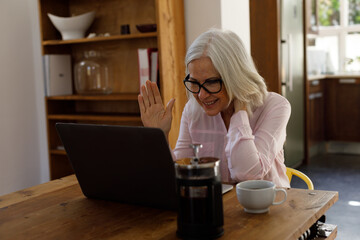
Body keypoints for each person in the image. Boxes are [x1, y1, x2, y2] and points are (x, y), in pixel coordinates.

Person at [138, 28, 290, 187]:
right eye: (194, 83)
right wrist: (159, 135)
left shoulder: (275, 106)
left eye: (211, 82)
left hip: (272, 205)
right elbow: (180, 176)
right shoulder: (192, 110)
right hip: (218, 204)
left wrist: (240, 110)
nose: (202, 95)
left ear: (236, 78)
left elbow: (248, 175)